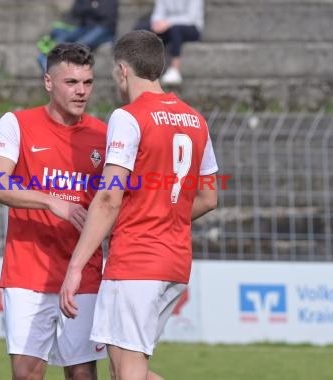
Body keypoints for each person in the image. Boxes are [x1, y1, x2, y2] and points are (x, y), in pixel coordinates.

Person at [59, 30, 218, 380]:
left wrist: (75, 266)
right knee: (129, 370)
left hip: (136, 261)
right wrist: (164, 217)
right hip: (175, 261)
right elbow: (208, 198)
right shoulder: (196, 120)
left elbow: (108, 196)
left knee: (126, 372)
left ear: (122, 70)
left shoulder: (128, 117)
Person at [0, 43, 107, 380]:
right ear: (48, 82)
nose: (81, 91)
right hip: (28, 270)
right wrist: (51, 201)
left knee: (81, 373)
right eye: (71, 82)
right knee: (26, 373)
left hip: (83, 271)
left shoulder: (104, 135)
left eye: (87, 82)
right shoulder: (17, 124)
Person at [134, 0, 204, 85]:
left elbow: (191, 17)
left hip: (192, 27)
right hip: (167, 26)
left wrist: (168, 22)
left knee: (176, 30)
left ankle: (175, 69)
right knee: (145, 28)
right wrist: (157, 24)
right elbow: (157, 14)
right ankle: (145, 67)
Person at [37, 0, 119, 73]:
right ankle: (51, 72)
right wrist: (92, 6)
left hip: (104, 28)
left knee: (80, 44)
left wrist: (90, 7)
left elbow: (105, 15)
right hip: (85, 26)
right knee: (60, 42)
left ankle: (66, 72)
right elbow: (77, 11)